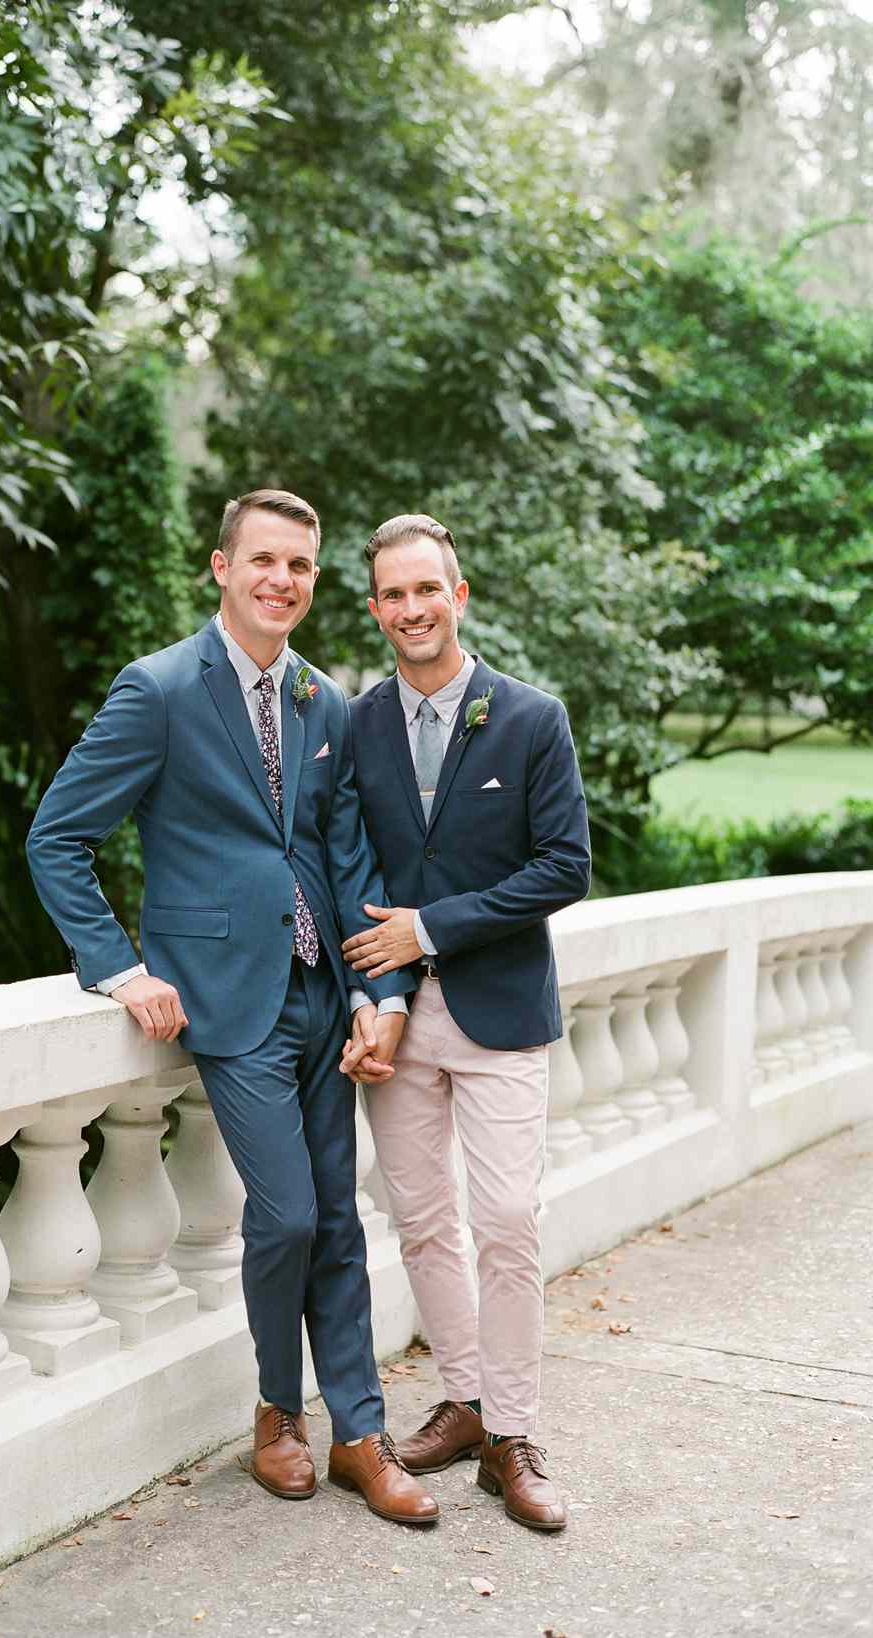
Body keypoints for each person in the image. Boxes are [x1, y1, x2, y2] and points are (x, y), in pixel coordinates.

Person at [27, 489, 439, 1526]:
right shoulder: (159, 689)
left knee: (338, 1221)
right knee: (290, 1214)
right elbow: (58, 837)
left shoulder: (323, 702)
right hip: (224, 1001)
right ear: (222, 567)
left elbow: (342, 858)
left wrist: (374, 989)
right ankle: (273, 1415)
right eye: (263, 560)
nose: (281, 581)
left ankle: (359, 1434)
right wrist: (122, 970)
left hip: (318, 997)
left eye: (299, 566)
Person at [341, 513, 591, 1533]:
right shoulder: (357, 723)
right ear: (375, 609)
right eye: (392, 595)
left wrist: (429, 929)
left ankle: (517, 1439)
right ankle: (467, 1403)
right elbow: (343, 855)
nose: (410, 609)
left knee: (509, 1224)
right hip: (398, 1023)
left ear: (460, 593)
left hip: (498, 1013)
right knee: (423, 1223)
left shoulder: (531, 718)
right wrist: (378, 989)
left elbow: (563, 866)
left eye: (425, 590)